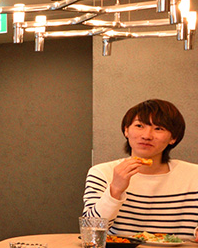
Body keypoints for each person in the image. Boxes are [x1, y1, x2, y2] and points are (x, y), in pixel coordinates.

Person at [82, 98, 198, 240]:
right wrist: (115, 190)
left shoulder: (194, 176)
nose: (146, 136)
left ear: (173, 138)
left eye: (158, 129)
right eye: (139, 126)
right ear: (126, 130)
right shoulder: (102, 173)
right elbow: (90, 232)